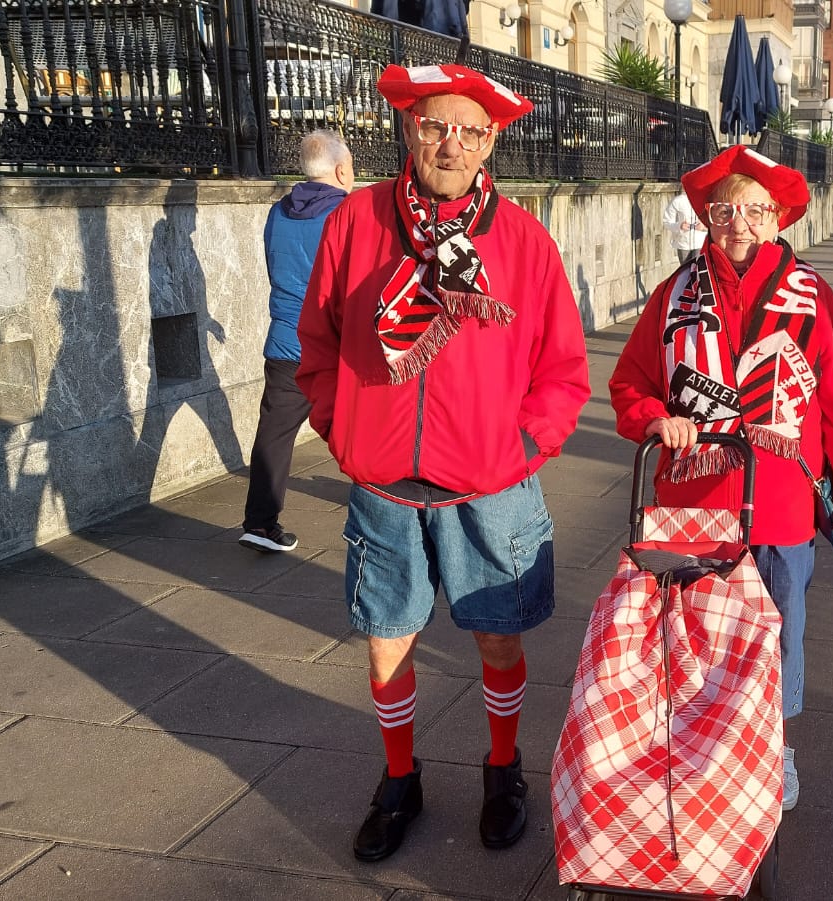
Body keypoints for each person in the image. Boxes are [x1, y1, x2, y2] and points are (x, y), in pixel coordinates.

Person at [296, 63, 591, 863]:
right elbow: (317, 340)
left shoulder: (522, 240)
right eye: (435, 126)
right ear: (408, 129)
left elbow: (564, 370)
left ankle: (503, 769)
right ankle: (400, 778)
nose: (450, 143)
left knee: (498, 637)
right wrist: (341, 427)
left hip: (491, 483)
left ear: (492, 140)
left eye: (469, 130)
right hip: (384, 483)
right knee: (387, 637)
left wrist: (521, 445)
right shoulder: (357, 222)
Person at [608, 145, 833, 813]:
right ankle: (701, 743)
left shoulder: (811, 294)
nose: (739, 223)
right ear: (706, 216)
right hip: (693, 501)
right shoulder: (675, 293)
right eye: (724, 209)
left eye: (755, 210)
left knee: (779, 630)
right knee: (697, 634)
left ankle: (774, 750)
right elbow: (629, 383)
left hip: (782, 504)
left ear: (779, 217)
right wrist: (653, 418)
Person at [238, 130, 354, 554]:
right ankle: (376, 500)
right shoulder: (349, 213)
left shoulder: (277, 213)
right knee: (359, 422)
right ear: (342, 170)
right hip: (336, 345)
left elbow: (275, 267)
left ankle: (259, 523)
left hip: (286, 340)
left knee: (275, 431)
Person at [663, 191, 705, 265]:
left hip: (700, 243)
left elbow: (714, 220)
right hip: (683, 243)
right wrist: (679, 226)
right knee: (685, 272)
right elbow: (667, 221)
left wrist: (704, 226)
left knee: (698, 272)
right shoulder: (678, 201)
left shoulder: (704, 199)